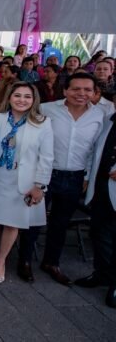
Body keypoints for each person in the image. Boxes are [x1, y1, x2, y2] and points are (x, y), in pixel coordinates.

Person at [19, 73, 104, 285]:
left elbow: (96, 150)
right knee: (33, 222)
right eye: (76, 89)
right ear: (65, 90)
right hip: (45, 174)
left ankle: (51, 262)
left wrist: (86, 175)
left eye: (87, 90)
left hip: (75, 177)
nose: (81, 94)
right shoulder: (47, 110)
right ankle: (24, 261)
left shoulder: (99, 116)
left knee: (60, 223)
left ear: (94, 93)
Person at [0, 82, 53, 284]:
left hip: (23, 180)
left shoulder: (42, 122)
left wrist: (40, 185)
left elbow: (47, 157)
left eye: (27, 96)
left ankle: (1, 261)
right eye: (18, 95)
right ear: (10, 97)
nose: (22, 100)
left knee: (13, 223)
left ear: (34, 100)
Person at [81, 107, 116, 307]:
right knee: (98, 232)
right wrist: (87, 176)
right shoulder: (107, 119)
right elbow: (94, 149)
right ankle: (101, 273)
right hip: (101, 186)